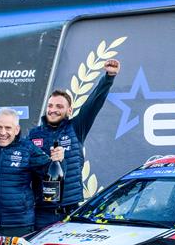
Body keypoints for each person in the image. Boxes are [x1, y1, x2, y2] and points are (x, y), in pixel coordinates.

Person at [26, 58, 120, 229]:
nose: (53, 110)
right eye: (50, 105)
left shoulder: (76, 127)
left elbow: (93, 103)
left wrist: (108, 77)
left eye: (59, 106)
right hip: (42, 213)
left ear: (69, 110)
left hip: (69, 212)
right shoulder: (34, 135)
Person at [0, 107, 64, 236]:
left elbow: (51, 172)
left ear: (17, 130)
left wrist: (59, 160)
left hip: (19, 225)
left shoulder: (28, 148)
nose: (2, 132)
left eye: (8, 128)